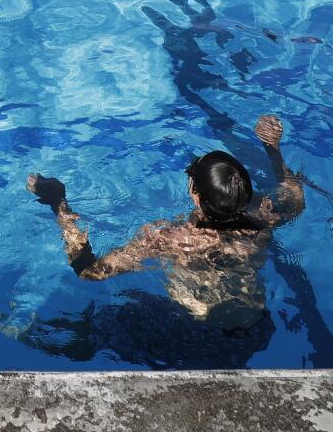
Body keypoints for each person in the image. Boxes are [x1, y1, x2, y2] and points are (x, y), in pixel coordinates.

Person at [27, 115, 305, 332]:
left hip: (198, 328)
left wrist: (59, 205)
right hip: (255, 323)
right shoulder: (265, 217)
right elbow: (293, 191)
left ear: (194, 195)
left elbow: (89, 272)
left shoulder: (168, 238)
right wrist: (272, 148)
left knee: (94, 323)